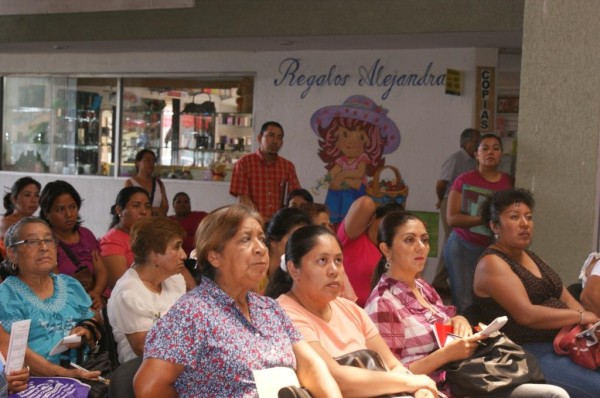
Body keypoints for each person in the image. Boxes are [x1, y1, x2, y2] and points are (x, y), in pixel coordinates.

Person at [134, 205, 342, 398]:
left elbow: (311, 366)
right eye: (245, 239)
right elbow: (149, 387)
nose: (260, 248)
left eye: (261, 238)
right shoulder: (192, 313)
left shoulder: (270, 308)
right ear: (215, 256)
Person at [365, 211, 569, 397]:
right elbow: (388, 376)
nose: (421, 247)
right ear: (386, 249)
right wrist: (445, 355)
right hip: (433, 388)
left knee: (552, 394)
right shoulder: (383, 302)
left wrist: (459, 320)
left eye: (425, 240)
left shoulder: (422, 286)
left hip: (468, 376)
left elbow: (443, 320)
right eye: (409, 240)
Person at [266, 225, 439, 398]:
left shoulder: (351, 309)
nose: (334, 270)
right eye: (322, 261)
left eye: (338, 261)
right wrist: (412, 382)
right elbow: (335, 378)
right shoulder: (284, 313)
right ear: (294, 269)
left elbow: (393, 365)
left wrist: (420, 389)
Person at [473, 188, 600, 397]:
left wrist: (589, 326)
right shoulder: (491, 263)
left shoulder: (529, 255)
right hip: (526, 352)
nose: (525, 223)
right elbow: (527, 315)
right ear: (494, 226)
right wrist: (580, 315)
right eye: (514, 217)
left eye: (528, 217)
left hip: (563, 341)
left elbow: (565, 296)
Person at [0, 217, 103, 381]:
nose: (44, 247)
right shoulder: (7, 297)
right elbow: (17, 354)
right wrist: (66, 375)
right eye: (32, 241)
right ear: (12, 253)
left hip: (87, 369)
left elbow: (95, 321)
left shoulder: (69, 284)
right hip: (37, 382)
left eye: (48, 240)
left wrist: (87, 331)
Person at [443, 133, 513, 313]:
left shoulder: (508, 183)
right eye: (485, 148)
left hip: (492, 251)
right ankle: (465, 339)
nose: (490, 152)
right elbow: (451, 218)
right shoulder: (464, 180)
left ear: (501, 154)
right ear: (476, 154)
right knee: (464, 301)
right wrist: (484, 219)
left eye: (496, 148)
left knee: (491, 300)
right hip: (462, 247)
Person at [107, 217, 187, 365]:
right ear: (154, 255)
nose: (184, 255)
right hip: (142, 372)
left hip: (178, 362)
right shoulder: (129, 293)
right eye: (176, 247)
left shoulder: (174, 280)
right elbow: (144, 348)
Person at [311, 95, 401, 224]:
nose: (350, 141)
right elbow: (332, 173)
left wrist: (341, 176)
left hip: (356, 190)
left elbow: (359, 174)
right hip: (342, 188)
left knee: (347, 190)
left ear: (369, 141)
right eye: (345, 134)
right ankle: (332, 219)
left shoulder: (362, 159)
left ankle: (348, 220)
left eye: (359, 137)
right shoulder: (341, 160)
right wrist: (322, 183)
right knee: (334, 188)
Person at [39, 180, 108, 310]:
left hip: (91, 301)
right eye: (60, 209)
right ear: (47, 213)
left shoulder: (86, 234)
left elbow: (101, 270)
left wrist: (96, 292)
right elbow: (55, 283)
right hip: (63, 306)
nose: (69, 214)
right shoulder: (44, 242)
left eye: (72, 207)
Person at [431, 128, 480, 294]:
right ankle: (439, 280)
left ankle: (444, 280)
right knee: (452, 239)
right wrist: (440, 199)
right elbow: (441, 183)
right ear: (466, 143)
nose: (478, 144)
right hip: (449, 203)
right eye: (476, 141)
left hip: (468, 206)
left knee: (458, 239)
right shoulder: (455, 159)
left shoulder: (475, 160)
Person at [337, 195, 404, 307]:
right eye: (387, 220)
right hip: (345, 312)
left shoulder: (391, 251)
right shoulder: (352, 238)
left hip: (375, 314)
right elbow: (365, 203)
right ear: (374, 218)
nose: (388, 227)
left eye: (394, 225)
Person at [229, 121, 301, 221]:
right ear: (259, 138)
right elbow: (244, 201)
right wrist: (264, 220)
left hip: (279, 226)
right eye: (271, 135)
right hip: (253, 223)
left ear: (282, 143)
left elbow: (295, 198)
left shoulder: (288, 167)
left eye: (279, 137)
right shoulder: (244, 164)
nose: (275, 141)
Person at [100, 186, 151, 289]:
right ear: (119, 210)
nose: (143, 211)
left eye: (147, 206)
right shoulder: (111, 241)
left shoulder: (149, 235)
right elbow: (122, 285)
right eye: (136, 206)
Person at [124, 149, 168, 217]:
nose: (151, 163)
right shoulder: (130, 183)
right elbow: (128, 205)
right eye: (147, 160)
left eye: (153, 161)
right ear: (138, 163)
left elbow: (165, 207)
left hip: (156, 223)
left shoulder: (159, 183)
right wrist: (152, 210)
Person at [0, 177, 41, 248]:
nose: (33, 200)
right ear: (14, 199)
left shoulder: (38, 221)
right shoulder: (7, 223)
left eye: (36, 195)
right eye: (27, 195)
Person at [168, 192, 207, 256]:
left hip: (196, 256)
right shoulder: (168, 221)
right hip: (174, 257)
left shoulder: (200, 216)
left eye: (186, 202)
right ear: (173, 205)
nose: (182, 204)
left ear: (190, 205)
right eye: (179, 202)